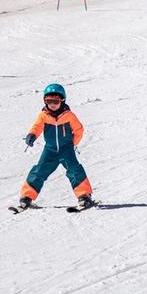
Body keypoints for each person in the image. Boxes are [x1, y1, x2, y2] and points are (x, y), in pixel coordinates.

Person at [16, 83, 95, 212]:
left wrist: (72, 143)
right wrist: (32, 135)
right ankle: (27, 196)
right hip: (50, 150)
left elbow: (79, 129)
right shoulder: (44, 115)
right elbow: (37, 126)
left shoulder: (69, 116)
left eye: (55, 101)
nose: (52, 104)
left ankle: (84, 195)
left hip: (66, 149)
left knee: (74, 170)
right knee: (39, 170)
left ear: (62, 100)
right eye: (49, 101)